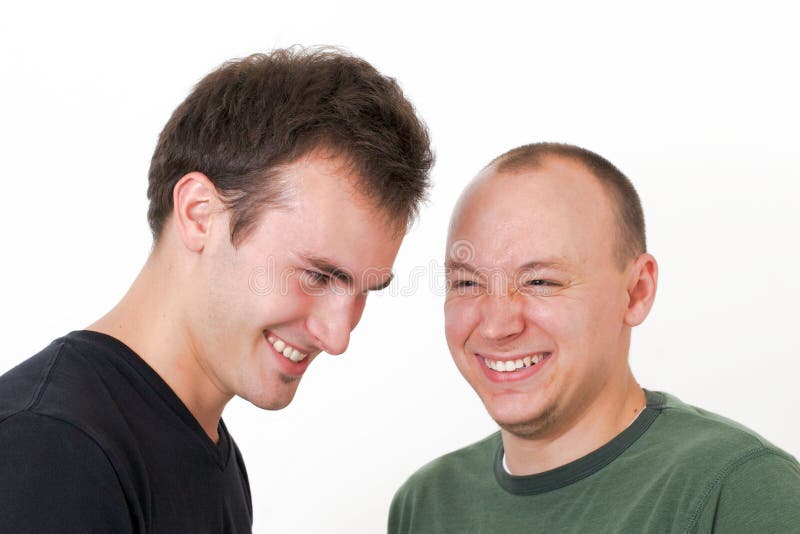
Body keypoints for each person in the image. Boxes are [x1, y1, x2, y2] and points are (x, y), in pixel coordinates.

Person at [0, 47, 433, 532]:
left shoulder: (210, 455)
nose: (338, 337)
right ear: (199, 214)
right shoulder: (50, 448)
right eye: (318, 275)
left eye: (364, 289)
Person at [389, 143, 800, 533]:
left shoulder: (738, 491)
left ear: (637, 291)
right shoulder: (426, 504)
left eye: (540, 281)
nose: (497, 325)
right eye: (466, 283)